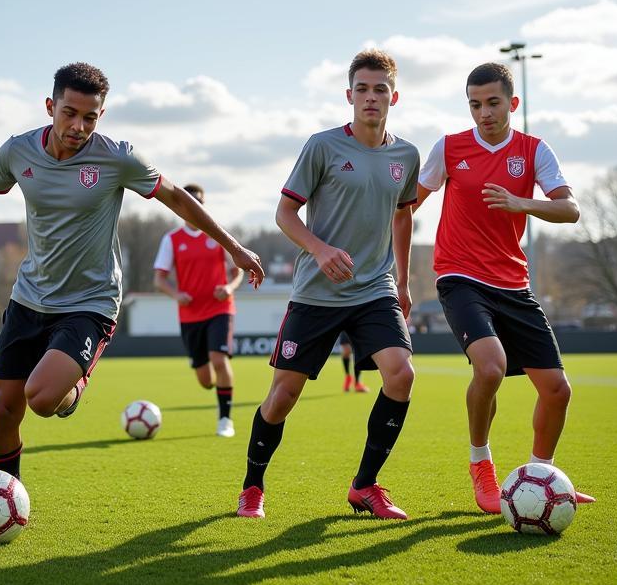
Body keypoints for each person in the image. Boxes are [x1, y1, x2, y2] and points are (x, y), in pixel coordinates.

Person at [0, 62, 264, 482]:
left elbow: (177, 199)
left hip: (90, 302)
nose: (79, 126)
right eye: (70, 113)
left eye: (90, 117)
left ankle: (72, 391)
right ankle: (7, 496)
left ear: (101, 116)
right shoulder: (17, 151)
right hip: (28, 298)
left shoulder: (117, 157)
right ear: (50, 106)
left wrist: (235, 247)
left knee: (41, 398)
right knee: (6, 407)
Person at [238, 49, 418, 520]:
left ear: (393, 96)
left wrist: (401, 280)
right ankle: (252, 486)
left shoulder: (406, 155)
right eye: (363, 89)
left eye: (380, 89)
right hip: (317, 292)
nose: (371, 98)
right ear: (349, 95)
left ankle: (365, 485)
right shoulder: (322, 146)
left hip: (374, 289)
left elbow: (403, 215)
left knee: (401, 374)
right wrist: (319, 249)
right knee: (282, 399)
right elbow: (284, 213)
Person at [415, 61, 594, 513]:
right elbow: (406, 205)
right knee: (490, 367)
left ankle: (541, 476)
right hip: (459, 277)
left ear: (512, 103)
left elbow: (570, 210)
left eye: (493, 103)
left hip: (513, 284)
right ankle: (481, 463)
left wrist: (520, 203)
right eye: (475, 104)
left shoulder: (534, 150)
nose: (484, 113)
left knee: (558, 390)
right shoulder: (450, 148)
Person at [153, 184, 241, 437]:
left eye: (200, 201)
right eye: (192, 201)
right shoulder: (171, 240)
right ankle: (217, 387)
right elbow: (159, 279)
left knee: (219, 360)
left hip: (220, 309)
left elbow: (238, 271)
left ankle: (225, 419)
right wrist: (176, 294)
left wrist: (229, 287)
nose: (196, 205)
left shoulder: (217, 235)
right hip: (190, 315)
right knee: (205, 380)